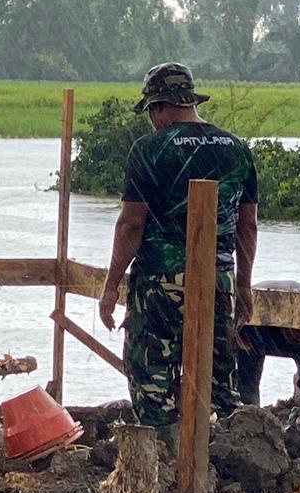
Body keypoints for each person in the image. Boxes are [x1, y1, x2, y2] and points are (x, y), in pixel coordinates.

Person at [98, 62, 259, 444]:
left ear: (158, 107)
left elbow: (131, 224)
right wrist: (243, 287)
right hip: (218, 281)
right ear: (190, 100)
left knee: (152, 380)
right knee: (221, 381)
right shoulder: (237, 150)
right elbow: (247, 226)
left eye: (152, 113)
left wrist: (110, 289)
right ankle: (229, 467)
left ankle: (167, 466)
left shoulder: (149, 150)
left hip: (159, 284)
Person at [236, 280, 300, 440]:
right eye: (296, 332)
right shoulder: (255, 323)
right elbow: (243, 375)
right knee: (247, 394)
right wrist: (250, 412)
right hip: (262, 330)